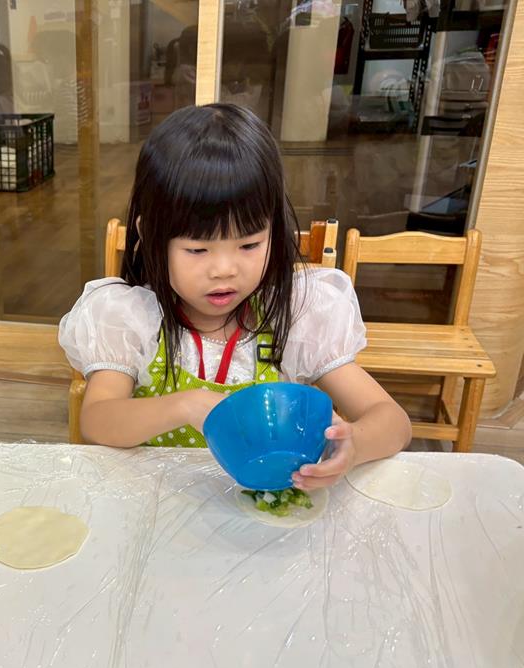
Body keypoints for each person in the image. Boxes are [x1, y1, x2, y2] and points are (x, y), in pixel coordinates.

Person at [59, 103, 411, 490]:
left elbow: (392, 421)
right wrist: (186, 405)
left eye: (249, 245)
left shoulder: (294, 317)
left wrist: (354, 445)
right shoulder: (133, 319)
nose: (224, 270)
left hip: (260, 512)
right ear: (151, 236)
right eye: (197, 249)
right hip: (159, 504)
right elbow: (97, 420)